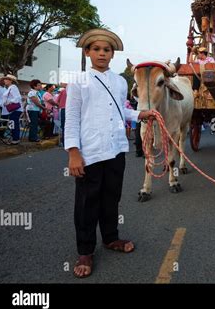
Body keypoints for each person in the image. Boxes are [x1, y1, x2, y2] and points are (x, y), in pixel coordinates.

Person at [65, 28, 157, 278]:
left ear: (112, 54)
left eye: (106, 50)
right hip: (90, 152)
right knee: (86, 202)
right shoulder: (78, 81)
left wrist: (140, 114)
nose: (101, 54)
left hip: (116, 149)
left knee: (111, 198)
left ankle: (110, 238)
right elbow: (71, 118)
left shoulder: (120, 81)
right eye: (96, 49)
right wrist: (74, 152)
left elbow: (121, 111)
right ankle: (85, 251)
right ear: (87, 52)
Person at [2, 74, 23, 145]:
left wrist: (8, 102)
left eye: (6, 79)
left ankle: (15, 139)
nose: (4, 80)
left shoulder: (13, 87)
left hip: (15, 109)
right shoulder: (10, 87)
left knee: (14, 124)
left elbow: (17, 98)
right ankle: (13, 138)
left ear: (10, 80)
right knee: (12, 124)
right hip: (13, 109)